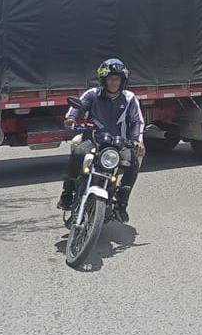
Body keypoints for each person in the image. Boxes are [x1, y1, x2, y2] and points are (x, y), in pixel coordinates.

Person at [59, 59, 145, 222]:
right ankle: (67, 193)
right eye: (111, 79)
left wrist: (137, 140)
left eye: (117, 79)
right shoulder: (92, 94)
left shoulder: (129, 98)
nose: (114, 82)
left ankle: (121, 204)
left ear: (122, 81)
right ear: (104, 80)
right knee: (78, 153)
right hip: (93, 139)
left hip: (120, 144)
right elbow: (78, 107)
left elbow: (136, 121)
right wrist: (71, 119)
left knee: (132, 163)